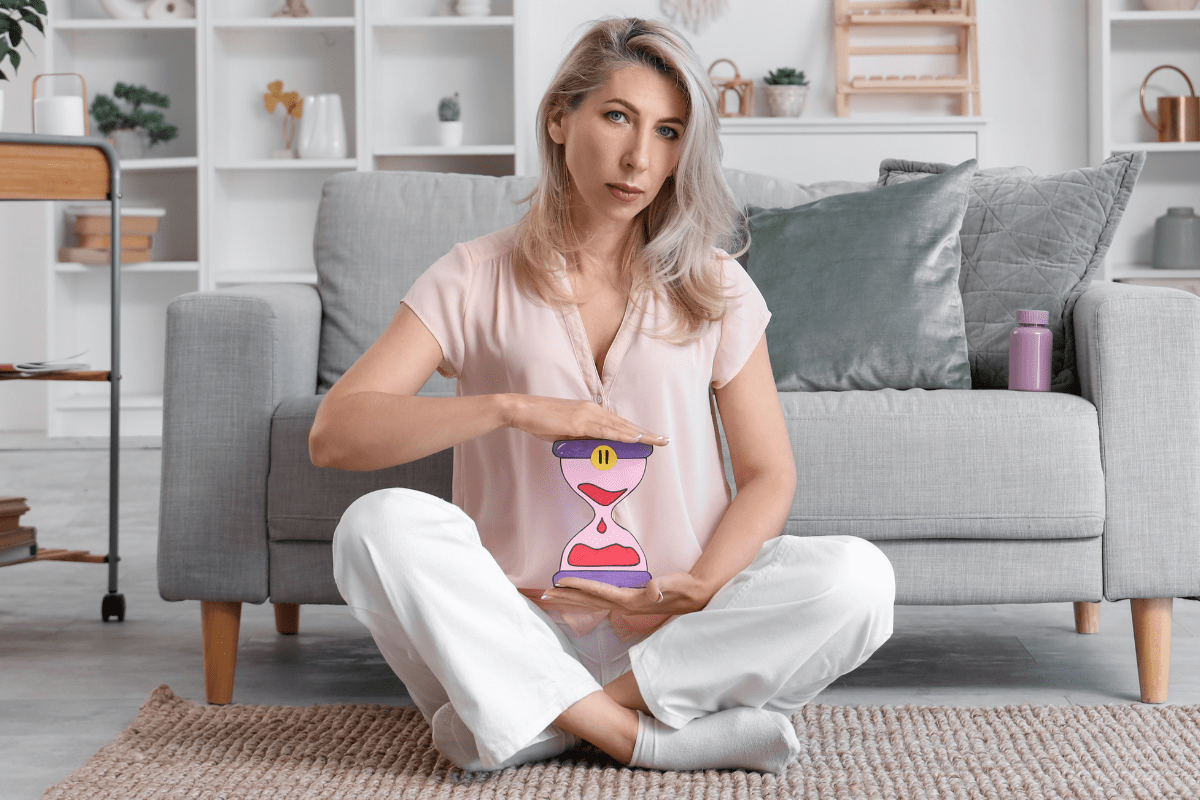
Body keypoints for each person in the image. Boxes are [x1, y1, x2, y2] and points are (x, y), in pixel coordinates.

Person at [309, 16, 895, 774]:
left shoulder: (716, 284)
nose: (639, 157)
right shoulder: (470, 277)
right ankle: (640, 736)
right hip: (515, 624)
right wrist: (511, 408)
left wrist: (699, 585)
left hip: (676, 632)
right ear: (561, 117)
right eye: (618, 116)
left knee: (857, 578)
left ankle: (545, 717)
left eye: (669, 131)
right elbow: (337, 432)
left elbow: (769, 474)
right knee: (376, 525)